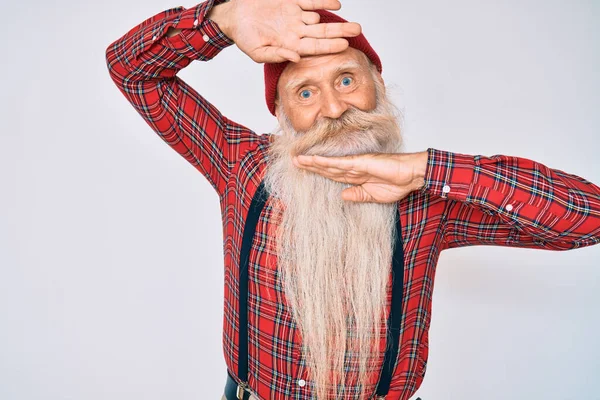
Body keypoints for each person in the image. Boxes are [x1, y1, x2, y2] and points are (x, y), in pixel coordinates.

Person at [105, 0, 600, 399]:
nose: (335, 109)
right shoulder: (240, 165)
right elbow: (131, 70)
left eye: (346, 80)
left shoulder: (428, 199)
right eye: (304, 93)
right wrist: (222, 19)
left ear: (378, 86)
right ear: (280, 114)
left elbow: (589, 218)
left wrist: (430, 169)